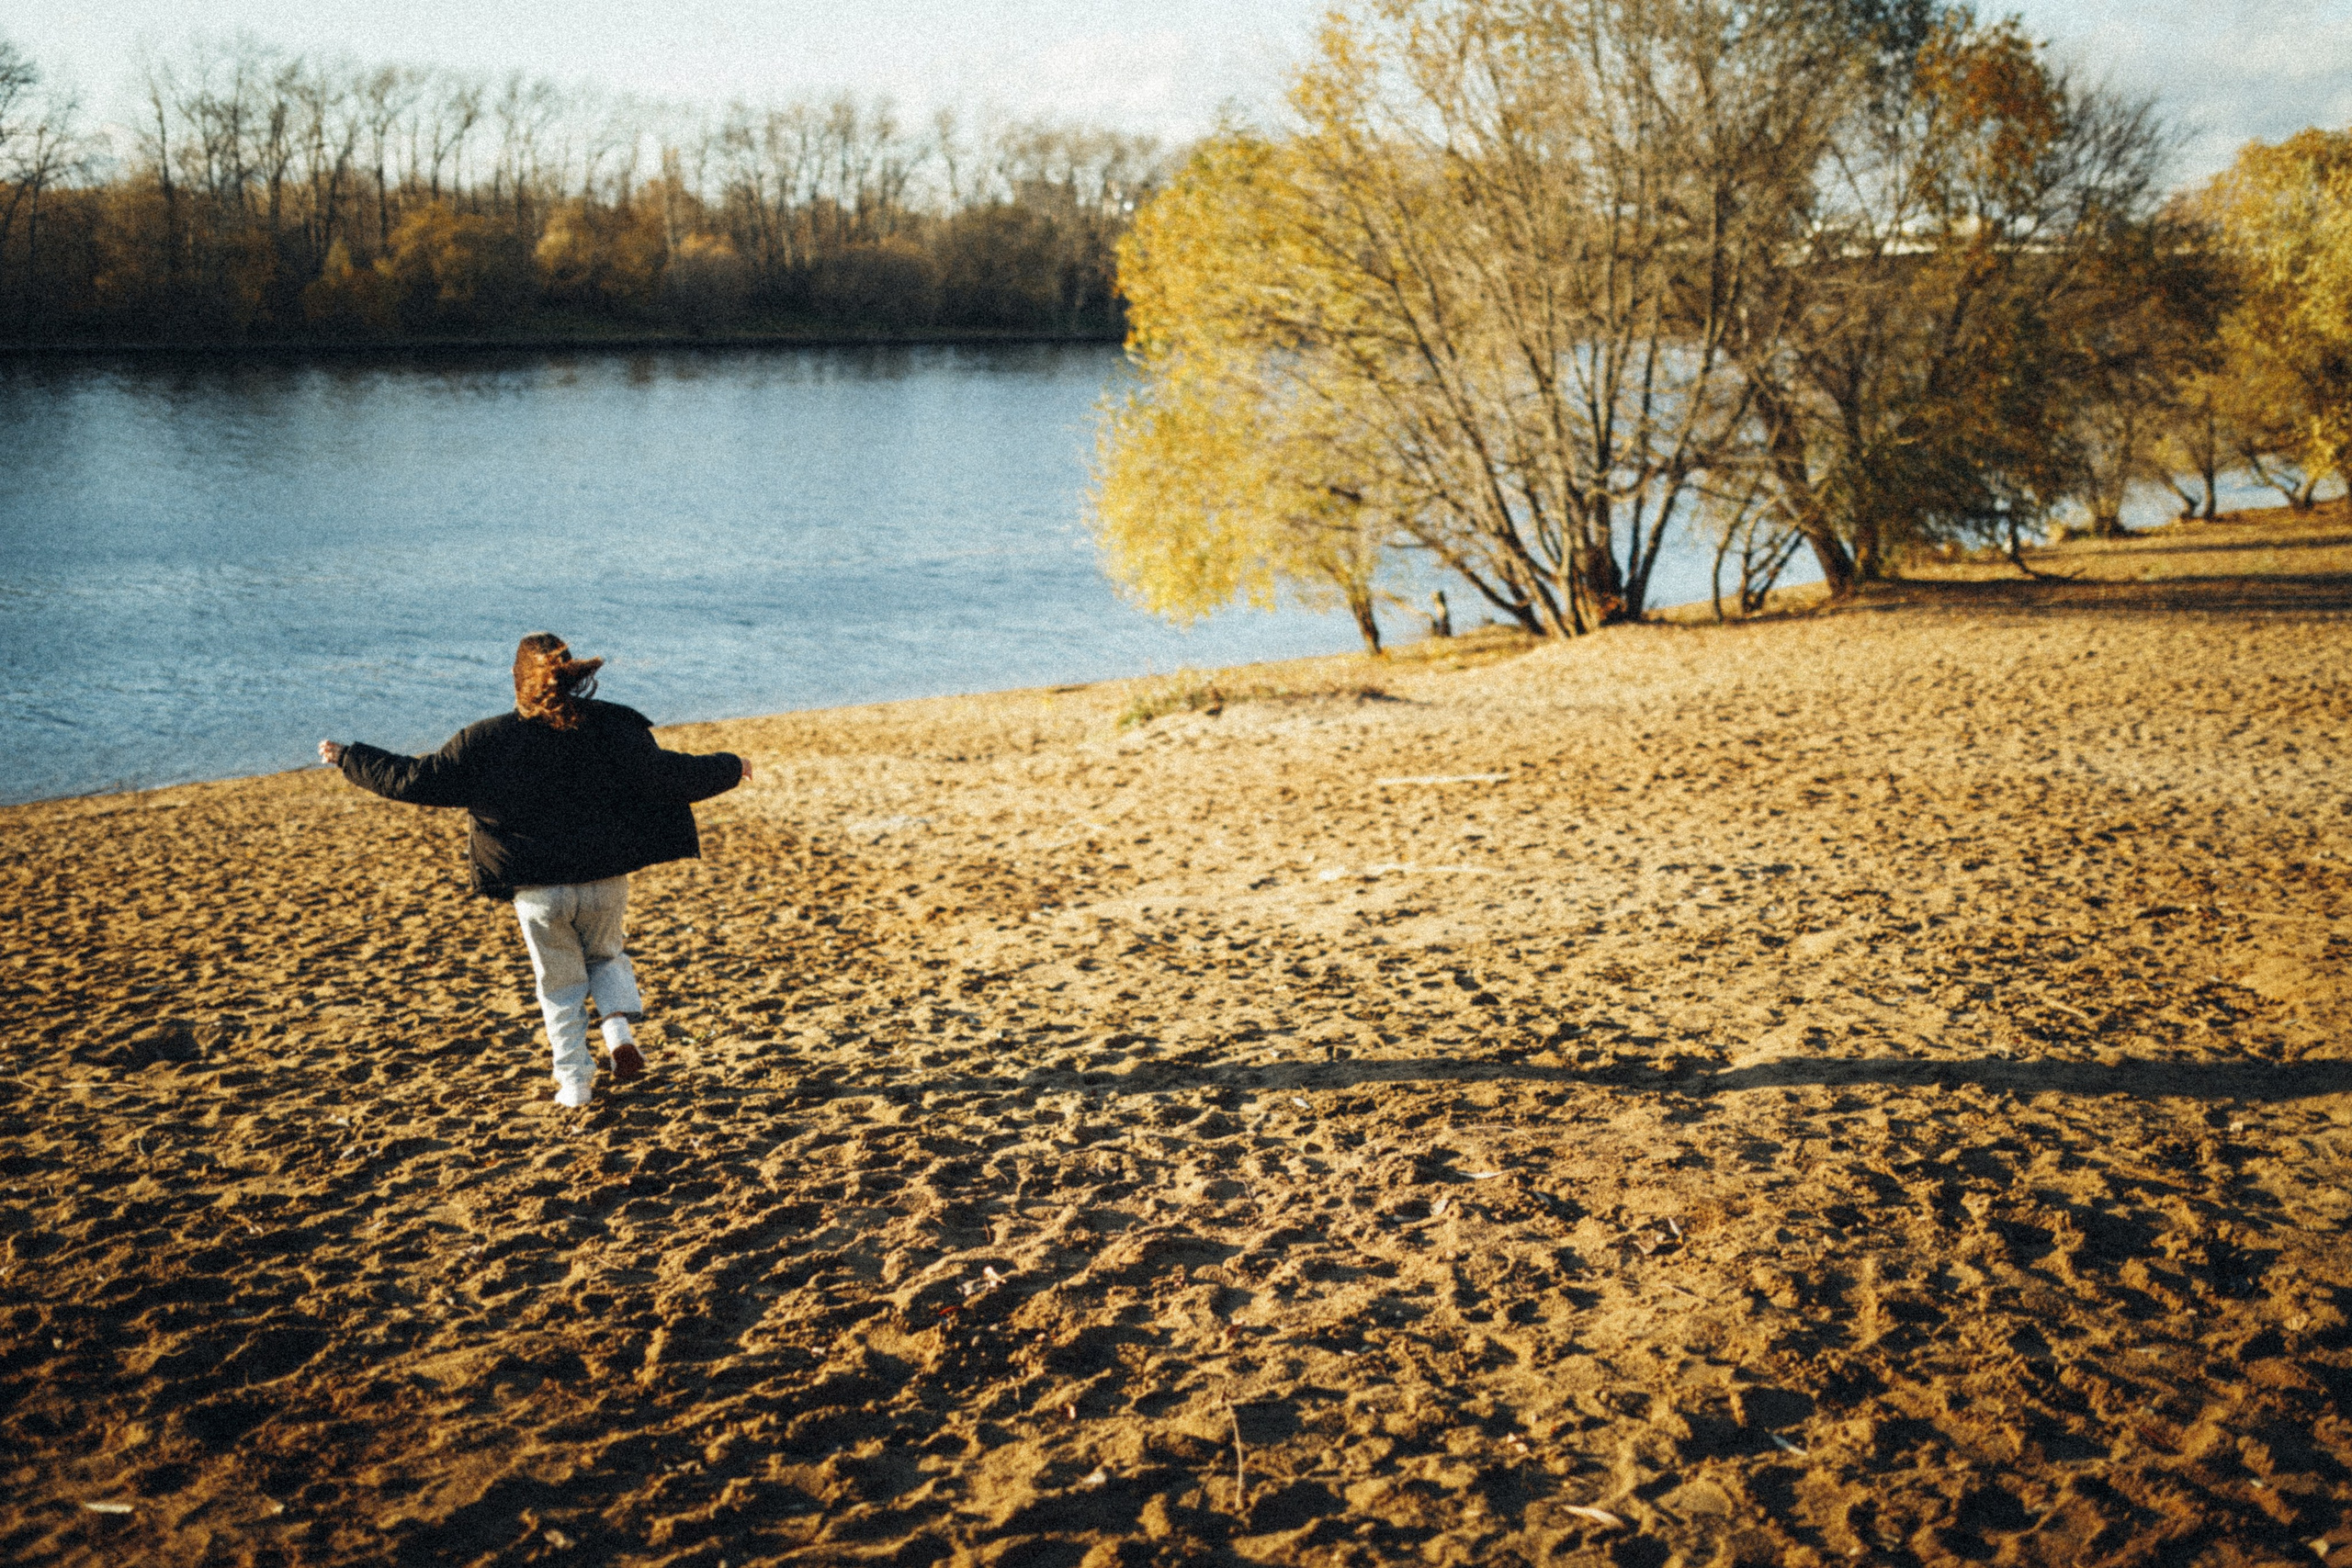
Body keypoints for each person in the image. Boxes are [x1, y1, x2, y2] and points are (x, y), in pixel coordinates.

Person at [319, 633, 749, 1108]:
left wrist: (349, 757)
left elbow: (417, 779)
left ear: (516, 679)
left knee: (560, 986)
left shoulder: (484, 740)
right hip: (604, 878)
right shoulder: (614, 727)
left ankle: (575, 1083)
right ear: (570, 676)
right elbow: (669, 774)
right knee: (606, 956)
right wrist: (732, 766)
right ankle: (619, 1034)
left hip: (538, 890)